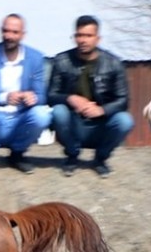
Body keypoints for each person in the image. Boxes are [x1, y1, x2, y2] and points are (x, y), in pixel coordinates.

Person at [47, 15, 134, 178]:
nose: (83, 40)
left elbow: (123, 100)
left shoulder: (114, 63)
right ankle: (72, 155)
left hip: (101, 124)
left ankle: (100, 159)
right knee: (58, 111)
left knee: (125, 120)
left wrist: (101, 110)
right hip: (74, 122)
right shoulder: (62, 60)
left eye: (88, 36)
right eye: (79, 35)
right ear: (74, 37)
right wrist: (70, 98)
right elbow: (50, 95)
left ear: (97, 38)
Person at [0, 14, 52, 174]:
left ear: (23, 35)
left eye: (14, 32)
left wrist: (32, 97)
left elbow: (42, 96)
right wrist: (4, 98)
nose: (9, 36)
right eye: (5, 31)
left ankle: (17, 153)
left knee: (42, 114)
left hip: (20, 116)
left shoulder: (35, 58)